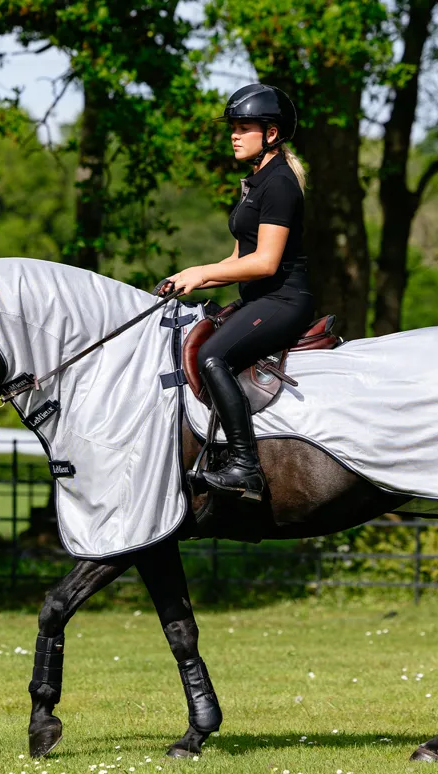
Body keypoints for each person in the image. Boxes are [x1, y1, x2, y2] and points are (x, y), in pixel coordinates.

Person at [159, 84, 314, 501]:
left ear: (272, 134)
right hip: (259, 300)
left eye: (244, 127)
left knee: (212, 356)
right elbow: (237, 259)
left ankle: (246, 467)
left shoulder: (279, 182)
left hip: (284, 301)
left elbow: (264, 262)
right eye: (233, 127)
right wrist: (189, 278)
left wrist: (202, 271)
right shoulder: (256, 182)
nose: (234, 135)